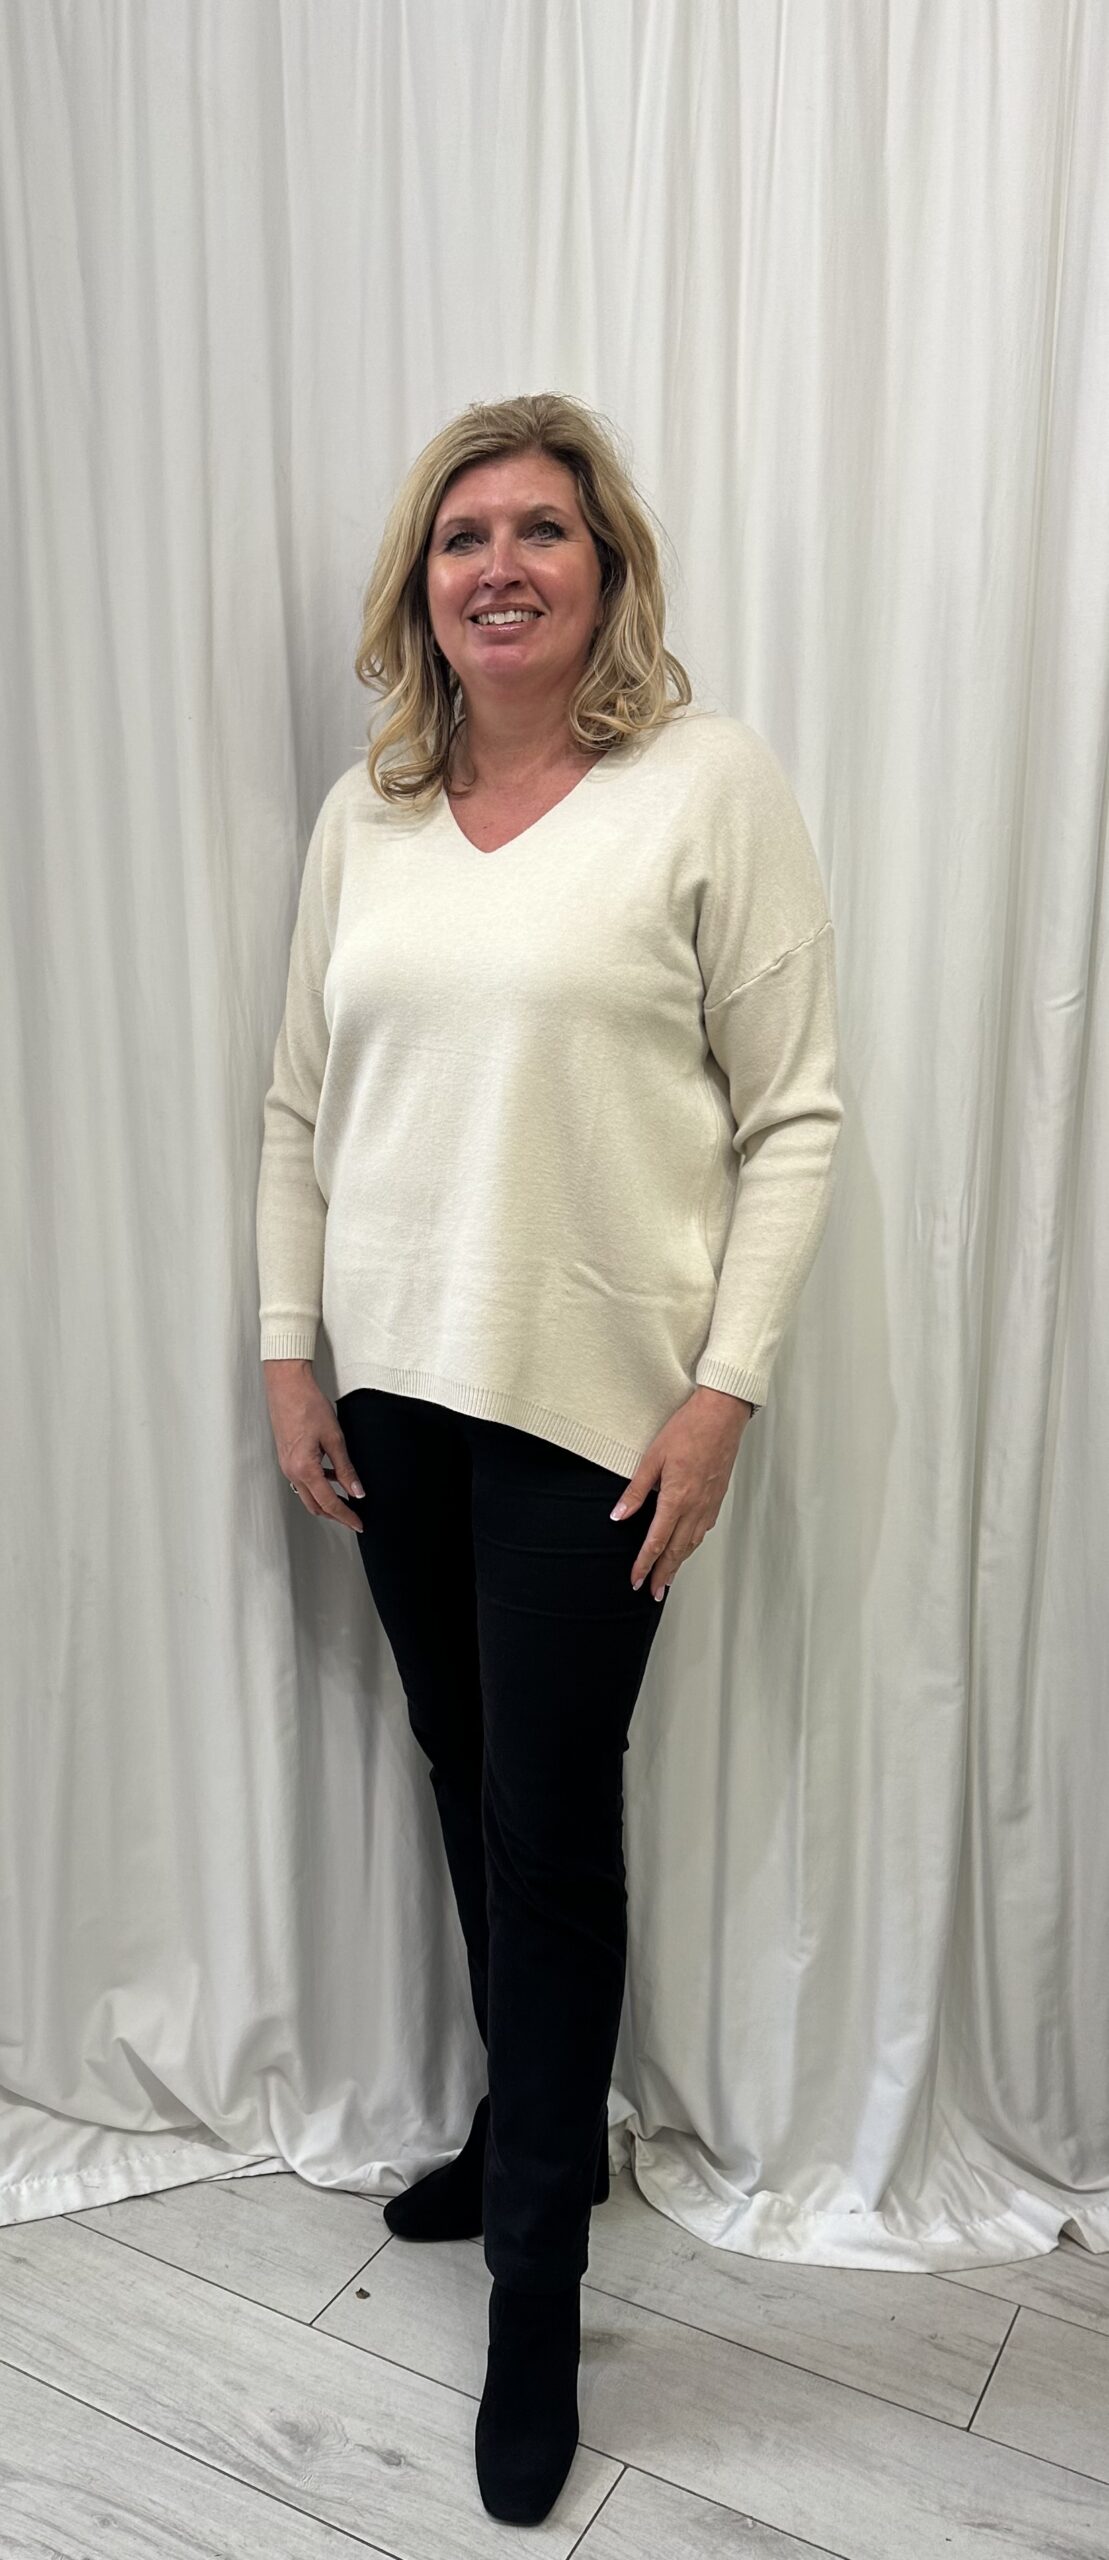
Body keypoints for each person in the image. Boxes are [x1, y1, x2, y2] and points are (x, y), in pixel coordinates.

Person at [256, 392, 844, 2526]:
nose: (497, 565)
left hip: (597, 1413)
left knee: (546, 1827)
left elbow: (796, 1113)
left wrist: (723, 1389)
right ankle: (535, 2134)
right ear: (420, 584)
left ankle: (535, 2285)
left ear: (605, 570)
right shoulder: (372, 810)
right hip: (394, 1395)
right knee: (458, 1767)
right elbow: (301, 1107)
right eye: (461, 536)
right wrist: (290, 1351)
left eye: (540, 532)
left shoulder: (706, 783)